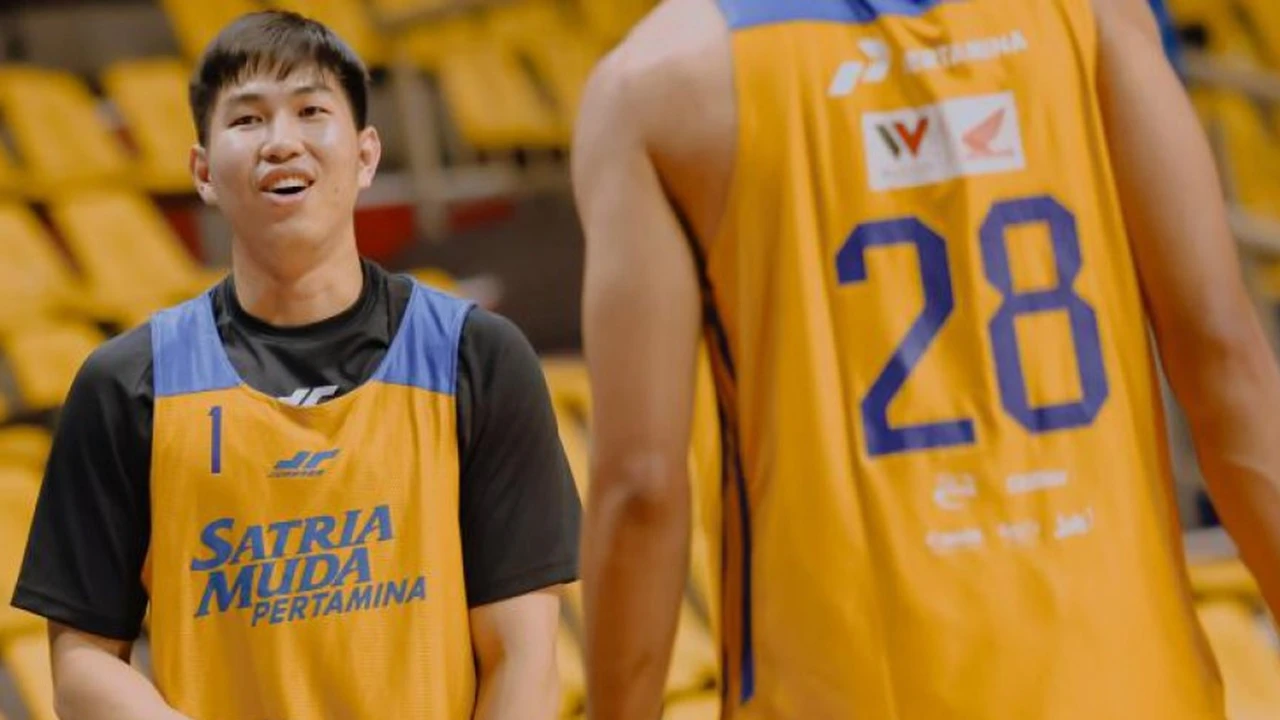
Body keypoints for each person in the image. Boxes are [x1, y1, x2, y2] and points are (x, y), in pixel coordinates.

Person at [573, 0, 1280, 717]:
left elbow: (641, 487)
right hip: (1128, 692)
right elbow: (1225, 364)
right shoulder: (1099, 19)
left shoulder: (656, 87)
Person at [11, 11, 580, 720]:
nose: (281, 142)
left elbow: (522, 655)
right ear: (203, 172)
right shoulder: (126, 385)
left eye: (311, 111)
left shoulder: (477, 359)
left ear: (366, 155)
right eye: (247, 120)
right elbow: (82, 660)